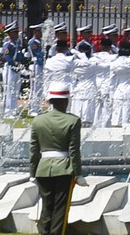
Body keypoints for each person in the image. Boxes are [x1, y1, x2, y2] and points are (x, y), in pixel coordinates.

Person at [30, 82, 82, 235]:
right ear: (66, 101)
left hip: (43, 167)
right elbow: (74, 150)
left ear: (49, 101)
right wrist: (78, 174)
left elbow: (34, 150)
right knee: (60, 209)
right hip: (64, 168)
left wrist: (32, 172)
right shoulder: (73, 121)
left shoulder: (38, 120)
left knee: (47, 206)